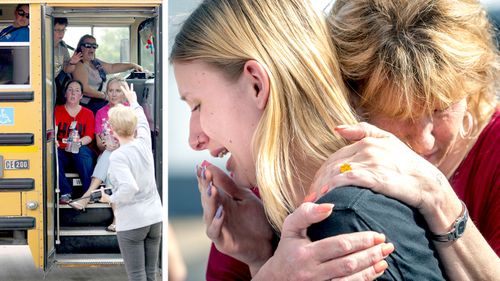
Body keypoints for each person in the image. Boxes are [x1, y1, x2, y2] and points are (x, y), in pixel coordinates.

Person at [171, 0, 447, 279]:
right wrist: (261, 258)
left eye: (197, 105)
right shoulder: (307, 233)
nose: (194, 140)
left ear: (257, 84)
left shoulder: (342, 227)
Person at [306, 0, 500, 279]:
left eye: (440, 108)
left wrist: (438, 197)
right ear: (350, 98)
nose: (425, 143)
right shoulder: (326, 154)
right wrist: (263, 259)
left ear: (471, 83)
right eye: (399, 114)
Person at [98, 82, 162, 281]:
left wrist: (109, 198)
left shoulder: (118, 156)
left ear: (114, 129)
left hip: (133, 221)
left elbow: (129, 188)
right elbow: (141, 121)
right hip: (154, 218)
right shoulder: (144, 143)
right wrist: (133, 101)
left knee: (136, 275)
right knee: (151, 273)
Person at [69, 77, 127, 232]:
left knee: (111, 156)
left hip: (128, 154)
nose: (114, 94)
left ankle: (87, 196)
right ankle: (117, 219)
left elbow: (136, 140)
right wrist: (108, 145)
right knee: (111, 161)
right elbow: (100, 144)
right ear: (106, 93)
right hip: (109, 156)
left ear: (124, 93)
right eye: (110, 91)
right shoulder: (101, 113)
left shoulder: (131, 111)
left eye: (117, 91)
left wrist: (119, 145)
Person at [72, 34, 143, 114]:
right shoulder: (79, 65)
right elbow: (84, 90)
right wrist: (106, 96)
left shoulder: (94, 62)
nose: (92, 49)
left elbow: (112, 67)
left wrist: (132, 65)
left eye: (94, 46)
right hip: (90, 104)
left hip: (100, 101)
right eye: (88, 45)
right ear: (81, 47)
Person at [55, 80, 96, 204]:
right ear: (65, 94)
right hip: (63, 151)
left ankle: (88, 193)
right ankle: (65, 193)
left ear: (81, 96)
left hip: (80, 150)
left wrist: (77, 144)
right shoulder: (57, 110)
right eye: (70, 90)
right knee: (53, 153)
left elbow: (89, 136)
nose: (73, 93)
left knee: (81, 152)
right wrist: (55, 142)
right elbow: (54, 129)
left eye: (77, 90)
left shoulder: (88, 113)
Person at [54, 17, 82, 104]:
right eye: (57, 30)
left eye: (63, 30)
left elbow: (66, 69)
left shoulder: (62, 46)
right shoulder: (41, 44)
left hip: (53, 85)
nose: (61, 33)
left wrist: (73, 62)